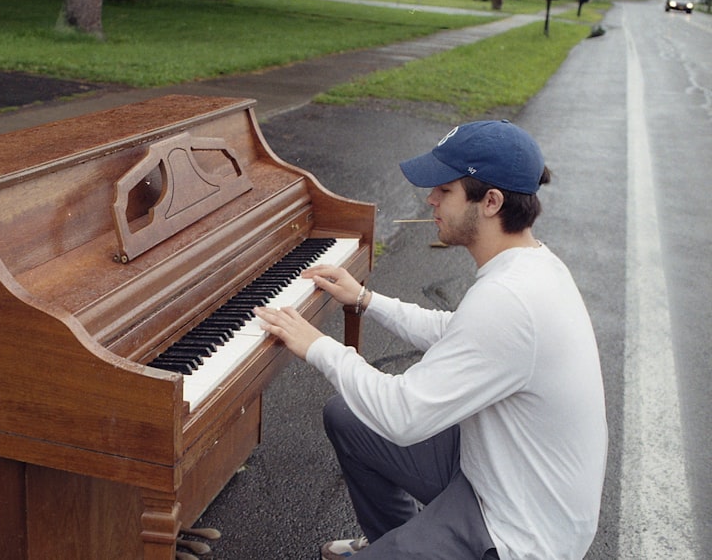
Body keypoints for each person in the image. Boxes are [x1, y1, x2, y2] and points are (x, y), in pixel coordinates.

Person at [253, 120, 607, 559]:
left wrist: (318, 346)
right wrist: (365, 299)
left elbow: (404, 415)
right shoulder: (532, 265)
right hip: (500, 472)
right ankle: (394, 539)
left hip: (518, 530)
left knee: (382, 410)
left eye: (445, 189)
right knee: (349, 416)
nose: (430, 198)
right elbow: (456, 333)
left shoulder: (510, 298)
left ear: (491, 202)